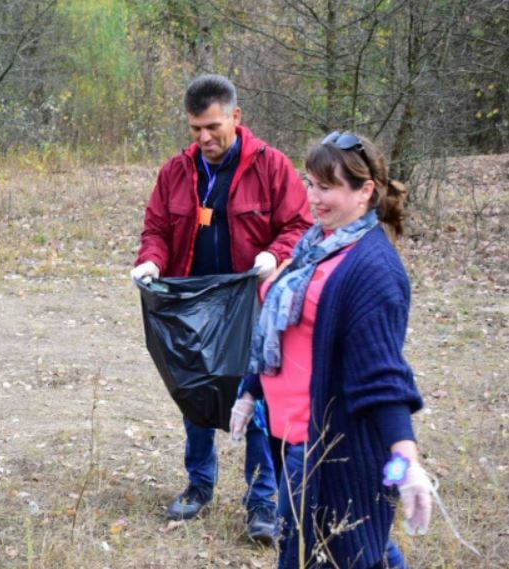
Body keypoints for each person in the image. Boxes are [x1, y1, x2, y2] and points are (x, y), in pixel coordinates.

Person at [233, 131, 432, 568]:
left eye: (326, 187)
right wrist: (251, 390)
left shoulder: (373, 271)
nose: (313, 197)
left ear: (365, 192)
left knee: (311, 552)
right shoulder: (314, 246)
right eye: (310, 183)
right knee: (363, 545)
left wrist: (406, 466)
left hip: (331, 447)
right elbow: (282, 330)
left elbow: (383, 377)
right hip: (291, 435)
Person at [131, 74, 313, 541]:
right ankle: (199, 486)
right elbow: (156, 228)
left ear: (236, 116)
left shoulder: (271, 167)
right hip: (194, 307)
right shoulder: (176, 171)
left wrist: (275, 255)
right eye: (195, 129)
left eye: (212, 127)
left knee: (255, 404)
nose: (204, 139)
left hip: (250, 306)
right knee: (195, 395)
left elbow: (300, 224)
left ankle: (262, 503)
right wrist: (150, 262)